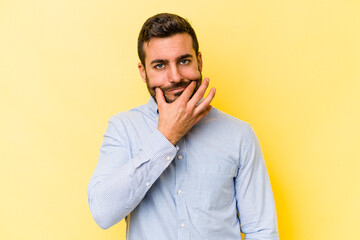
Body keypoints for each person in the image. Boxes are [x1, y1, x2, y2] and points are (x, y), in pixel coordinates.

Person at [87, 13, 279, 240]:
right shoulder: (123, 129)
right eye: (160, 65)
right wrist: (166, 136)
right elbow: (102, 212)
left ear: (199, 61)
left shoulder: (239, 135)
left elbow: (262, 230)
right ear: (143, 72)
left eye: (184, 61)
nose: (175, 77)